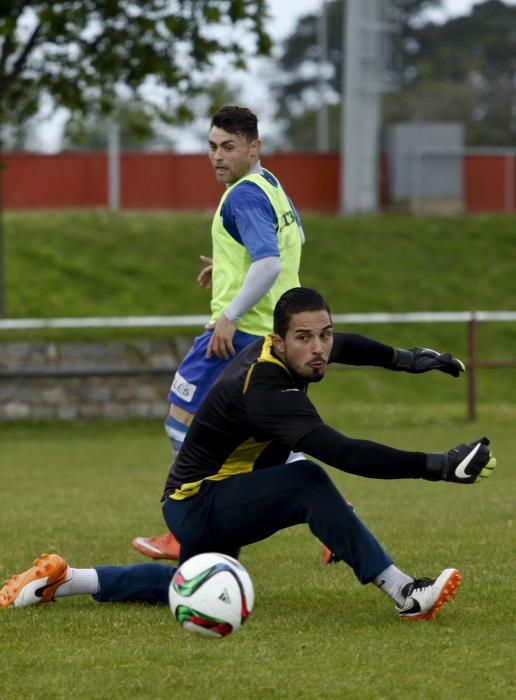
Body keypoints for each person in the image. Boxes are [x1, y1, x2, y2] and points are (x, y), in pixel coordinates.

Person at [1, 288, 496, 621]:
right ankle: (406, 592)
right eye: (306, 338)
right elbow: (343, 452)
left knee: (189, 581)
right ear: (279, 341)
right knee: (310, 481)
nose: (320, 348)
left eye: (324, 334)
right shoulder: (265, 388)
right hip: (198, 503)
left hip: (204, 497)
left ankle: (66, 580)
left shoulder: (292, 348)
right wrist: (437, 466)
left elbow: (348, 344)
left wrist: (408, 360)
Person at [132, 105, 304, 561]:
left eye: (228, 147)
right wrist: (227, 268)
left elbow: (268, 263)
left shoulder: (243, 195)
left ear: (254, 147)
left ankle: (187, 526)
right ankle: (323, 502)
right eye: (211, 147)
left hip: (238, 336)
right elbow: (284, 249)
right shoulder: (272, 186)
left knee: (180, 425)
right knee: (263, 440)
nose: (217, 157)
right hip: (272, 336)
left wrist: (229, 313)